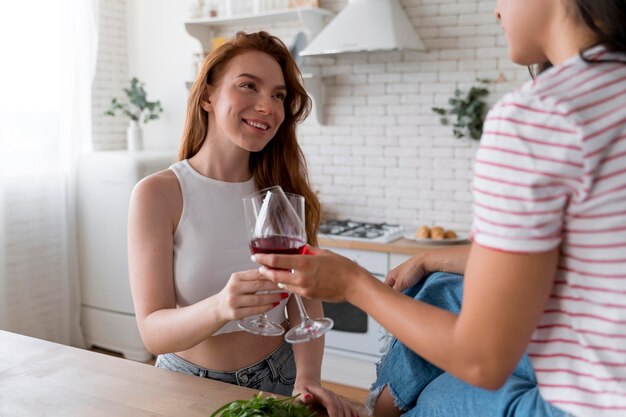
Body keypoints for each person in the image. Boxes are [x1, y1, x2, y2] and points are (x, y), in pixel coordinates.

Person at [254, 1, 626, 416]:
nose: (497, 13)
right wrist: (429, 258)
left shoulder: (543, 115)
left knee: (438, 395)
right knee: (444, 291)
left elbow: (482, 360)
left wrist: (354, 284)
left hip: (593, 403)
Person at [127, 31, 356, 417]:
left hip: (279, 377)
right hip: (186, 383)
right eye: (249, 85)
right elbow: (152, 331)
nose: (267, 105)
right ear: (208, 96)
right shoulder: (159, 193)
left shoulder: (282, 191)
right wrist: (220, 307)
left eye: (279, 95)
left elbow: (305, 301)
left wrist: (308, 378)